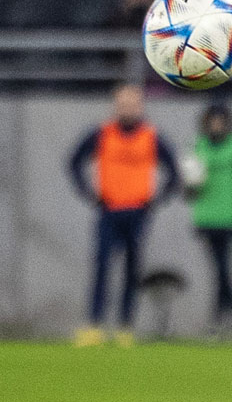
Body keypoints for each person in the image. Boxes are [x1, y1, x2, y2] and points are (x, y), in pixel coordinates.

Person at [69, 84, 179, 347]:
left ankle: (125, 327)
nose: (127, 109)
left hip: (138, 212)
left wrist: (158, 197)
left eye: (132, 105)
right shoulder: (102, 134)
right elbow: (74, 161)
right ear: (115, 107)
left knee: (132, 270)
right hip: (109, 210)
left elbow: (174, 171)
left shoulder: (151, 137)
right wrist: (88, 192)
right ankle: (94, 325)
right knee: (102, 268)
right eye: (122, 104)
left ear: (140, 108)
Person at [182, 103, 232, 337]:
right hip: (207, 216)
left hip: (230, 215)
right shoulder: (198, 147)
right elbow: (189, 191)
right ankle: (231, 316)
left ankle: (224, 316)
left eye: (221, 120)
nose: (217, 125)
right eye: (213, 120)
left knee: (223, 270)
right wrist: (190, 182)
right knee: (220, 270)